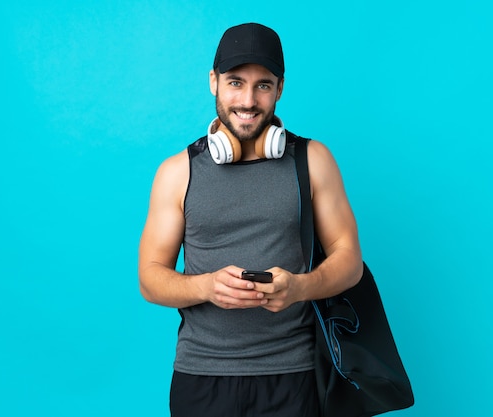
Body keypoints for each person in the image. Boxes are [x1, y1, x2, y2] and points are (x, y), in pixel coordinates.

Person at [138, 22, 363, 417]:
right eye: (236, 82)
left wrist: (300, 287)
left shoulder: (313, 162)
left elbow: (349, 261)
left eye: (263, 85)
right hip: (201, 377)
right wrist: (207, 286)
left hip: (293, 376)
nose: (248, 99)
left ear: (279, 88)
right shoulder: (177, 173)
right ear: (214, 82)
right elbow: (150, 279)